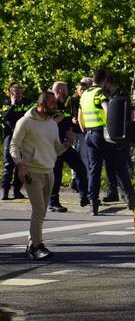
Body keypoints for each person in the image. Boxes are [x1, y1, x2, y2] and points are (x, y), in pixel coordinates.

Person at [10, 91, 70, 260]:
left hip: (48, 171)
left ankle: (32, 244)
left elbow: (56, 150)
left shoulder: (52, 123)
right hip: (31, 171)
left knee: (42, 211)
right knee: (38, 210)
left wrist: (67, 144)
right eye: (52, 103)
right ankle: (36, 246)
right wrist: (20, 165)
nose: (55, 106)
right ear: (42, 105)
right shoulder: (25, 122)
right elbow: (14, 145)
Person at [78, 69, 135, 216]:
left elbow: (80, 118)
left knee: (94, 170)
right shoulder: (100, 93)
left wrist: (86, 132)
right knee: (120, 167)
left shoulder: (85, 94)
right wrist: (112, 131)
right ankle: (132, 200)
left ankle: (93, 204)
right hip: (102, 135)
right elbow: (108, 111)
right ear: (104, 80)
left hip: (89, 136)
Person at [49, 81, 90, 212]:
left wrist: (71, 131)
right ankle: (53, 202)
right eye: (65, 91)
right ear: (60, 91)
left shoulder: (64, 105)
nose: (67, 93)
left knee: (80, 168)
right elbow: (46, 125)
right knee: (56, 174)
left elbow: (67, 123)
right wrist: (59, 119)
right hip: (52, 145)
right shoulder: (49, 105)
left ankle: (84, 196)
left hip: (65, 145)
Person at [2, 83, 32, 200]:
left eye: (19, 92)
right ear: (10, 93)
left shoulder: (28, 102)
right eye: (15, 92)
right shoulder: (7, 103)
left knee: (22, 164)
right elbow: (6, 117)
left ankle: (17, 190)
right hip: (10, 136)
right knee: (9, 164)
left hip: (24, 137)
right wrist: (13, 105)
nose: (18, 95)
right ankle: (5, 192)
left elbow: (33, 114)